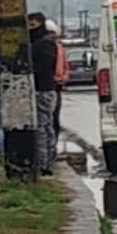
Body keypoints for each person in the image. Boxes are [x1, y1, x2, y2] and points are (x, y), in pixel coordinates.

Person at [29, 12, 59, 176]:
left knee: (42, 127)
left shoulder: (44, 44)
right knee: (46, 126)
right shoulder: (45, 43)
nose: (30, 29)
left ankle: (43, 162)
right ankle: (47, 159)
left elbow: (45, 66)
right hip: (46, 89)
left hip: (43, 90)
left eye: (33, 25)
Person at [46, 19, 69, 154]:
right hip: (48, 85)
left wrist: (64, 77)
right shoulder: (43, 47)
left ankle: (53, 145)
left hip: (57, 86)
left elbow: (65, 67)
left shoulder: (60, 48)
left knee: (55, 118)